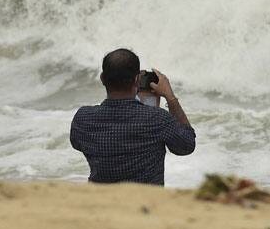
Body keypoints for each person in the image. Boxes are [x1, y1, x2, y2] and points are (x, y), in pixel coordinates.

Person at [70, 48, 195, 185]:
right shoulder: (157, 119)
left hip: (101, 202)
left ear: (102, 79)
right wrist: (170, 98)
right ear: (137, 79)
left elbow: (77, 144)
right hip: (144, 204)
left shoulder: (83, 118)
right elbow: (186, 146)